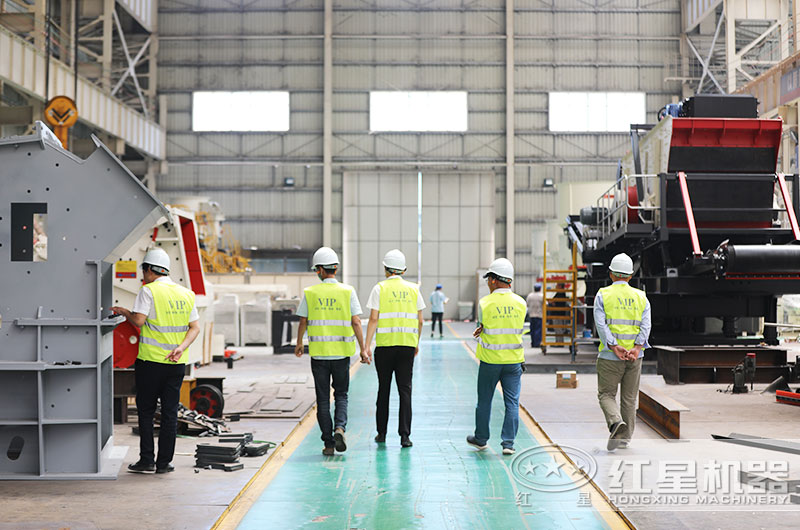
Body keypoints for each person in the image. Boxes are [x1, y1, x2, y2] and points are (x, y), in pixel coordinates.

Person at [111, 248, 200, 474]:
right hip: (177, 363)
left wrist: (124, 311)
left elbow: (139, 321)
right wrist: (180, 348)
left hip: (150, 363)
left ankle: (147, 460)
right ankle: (164, 463)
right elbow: (195, 328)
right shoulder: (186, 294)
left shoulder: (148, 291)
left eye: (144, 271)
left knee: (146, 412)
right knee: (170, 413)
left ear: (149, 270)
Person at [295, 247, 367, 457]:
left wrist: (299, 343)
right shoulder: (348, 291)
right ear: (335, 268)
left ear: (319, 270)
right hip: (342, 354)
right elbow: (356, 321)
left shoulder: (311, 292)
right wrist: (363, 349)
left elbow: (303, 321)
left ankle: (328, 443)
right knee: (342, 394)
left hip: (319, 355)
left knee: (323, 400)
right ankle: (340, 428)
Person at [364, 249, 425, 448]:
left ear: (385, 269)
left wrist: (366, 346)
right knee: (405, 390)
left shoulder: (379, 288)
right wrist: (415, 342)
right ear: (403, 270)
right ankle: (405, 436)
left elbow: (373, 319)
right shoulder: (414, 289)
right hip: (407, 346)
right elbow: (421, 321)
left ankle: (381, 433)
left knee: (384, 389)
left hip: (385, 347)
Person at [467, 258, 527, 455]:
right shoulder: (521, 303)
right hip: (514, 362)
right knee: (512, 403)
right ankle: (508, 443)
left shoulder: (485, 303)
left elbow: (484, 326)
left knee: (484, 401)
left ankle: (481, 439)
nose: (487, 283)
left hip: (490, 361)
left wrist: (481, 329)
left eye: (488, 280)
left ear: (494, 280)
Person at [593, 253, 651, 451]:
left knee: (606, 395)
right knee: (629, 398)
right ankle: (625, 439)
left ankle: (616, 422)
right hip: (635, 357)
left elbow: (601, 325)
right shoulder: (641, 297)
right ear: (630, 275)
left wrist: (613, 345)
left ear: (611, 274)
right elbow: (646, 325)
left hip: (611, 356)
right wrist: (636, 347)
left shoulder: (603, 295)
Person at [526, 283, 543, 348]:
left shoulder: (530, 296)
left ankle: (533, 343)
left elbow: (527, 304)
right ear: (540, 288)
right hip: (539, 315)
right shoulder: (542, 296)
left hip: (531, 315)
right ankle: (537, 343)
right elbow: (545, 304)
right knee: (538, 330)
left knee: (532, 330)